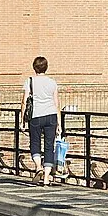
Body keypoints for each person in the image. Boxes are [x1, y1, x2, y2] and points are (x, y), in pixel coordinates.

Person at [24, 56, 61, 185]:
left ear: (34, 68)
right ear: (46, 67)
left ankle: (38, 167)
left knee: (35, 142)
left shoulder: (29, 81)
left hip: (36, 115)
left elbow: (24, 102)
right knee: (49, 146)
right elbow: (56, 103)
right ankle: (46, 178)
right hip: (51, 115)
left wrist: (22, 120)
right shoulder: (52, 82)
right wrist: (59, 123)